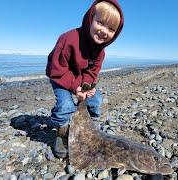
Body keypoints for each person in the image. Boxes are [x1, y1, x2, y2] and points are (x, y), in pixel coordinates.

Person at [46, 0, 124, 158]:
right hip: (60, 76)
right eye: (100, 23)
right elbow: (57, 69)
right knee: (65, 105)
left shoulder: (100, 52)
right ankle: (62, 132)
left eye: (111, 29)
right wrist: (76, 88)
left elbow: (92, 71)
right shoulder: (68, 39)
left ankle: (89, 126)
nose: (104, 31)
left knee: (96, 99)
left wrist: (86, 87)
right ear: (90, 17)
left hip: (79, 80)